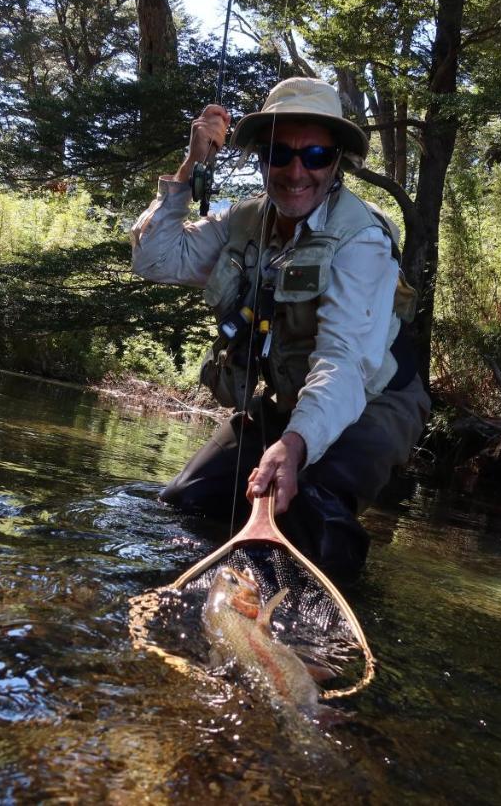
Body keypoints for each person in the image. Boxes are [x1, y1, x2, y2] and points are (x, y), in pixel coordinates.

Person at [130, 77, 430, 582]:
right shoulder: (244, 220)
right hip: (287, 402)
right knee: (187, 506)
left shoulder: (362, 241)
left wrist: (294, 445)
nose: (295, 172)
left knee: (315, 518)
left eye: (315, 154)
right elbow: (155, 259)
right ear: (261, 158)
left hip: (374, 401)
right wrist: (191, 166)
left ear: (337, 163)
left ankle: (318, 646)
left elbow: (345, 364)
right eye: (278, 153)